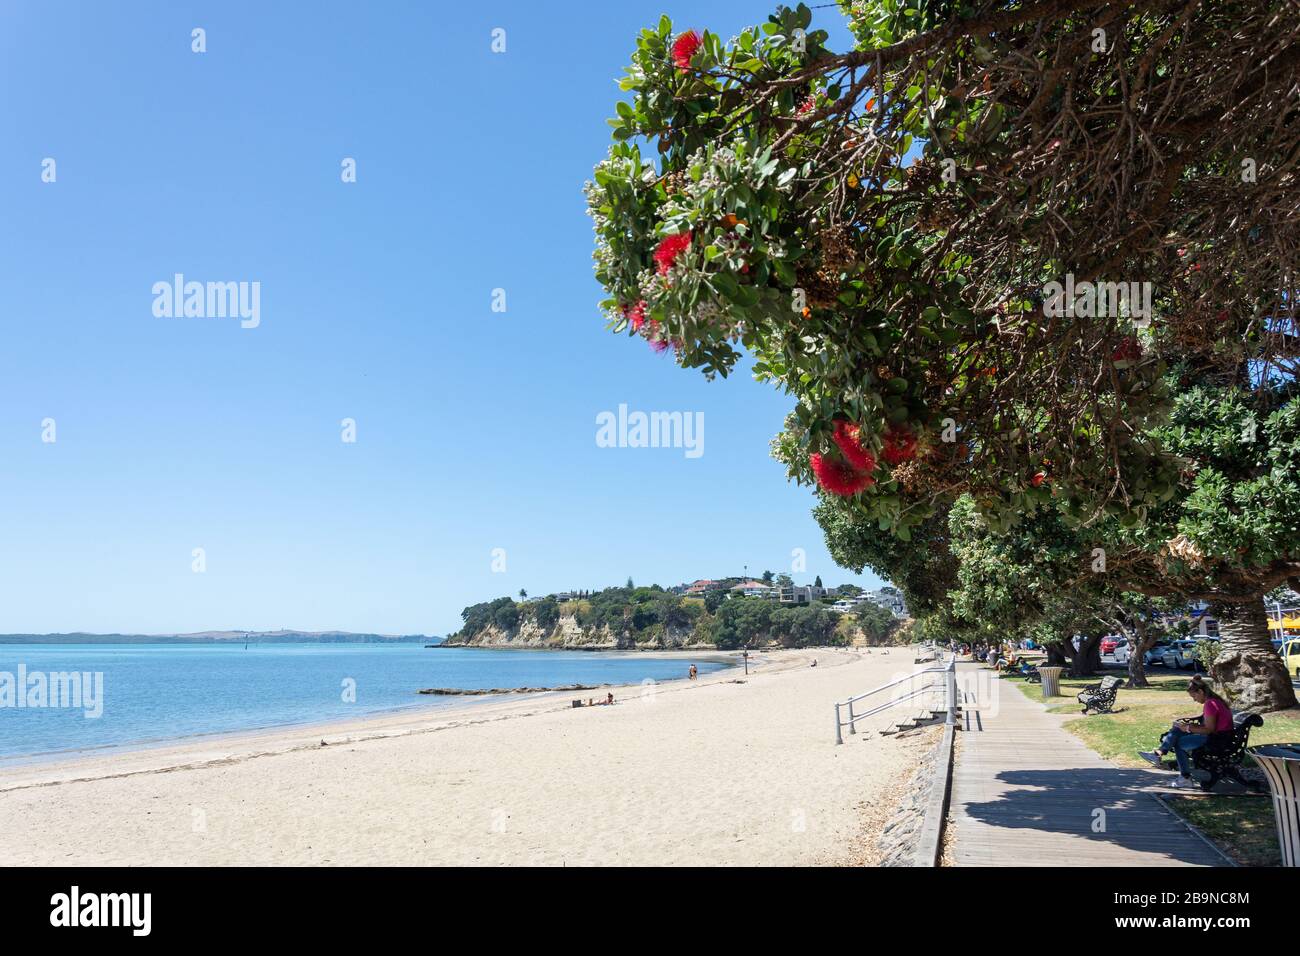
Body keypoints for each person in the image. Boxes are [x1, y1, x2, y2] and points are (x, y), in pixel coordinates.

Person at [1138, 676, 1232, 787]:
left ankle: (1184, 777)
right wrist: (1186, 726)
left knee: (1179, 743)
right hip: (1220, 736)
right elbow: (1210, 726)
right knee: (1177, 729)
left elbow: (1209, 729)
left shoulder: (1210, 704)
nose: (1194, 700)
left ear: (1200, 691)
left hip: (1217, 740)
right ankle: (1159, 753)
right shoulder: (1214, 701)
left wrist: (1188, 728)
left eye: (1194, 696)